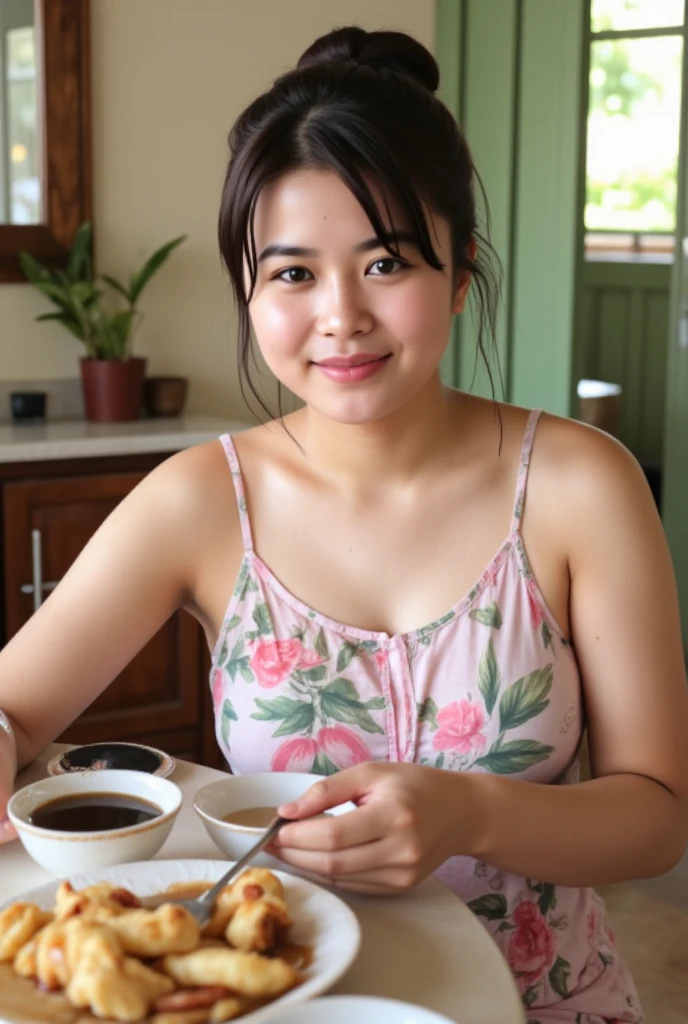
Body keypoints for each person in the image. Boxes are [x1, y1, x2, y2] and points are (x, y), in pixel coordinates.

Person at [0, 24, 686, 1023]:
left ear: (459, 272)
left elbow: (656, 817)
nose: (339, 317)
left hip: (541, 1001)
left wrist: (473, 810)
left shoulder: (583, 485)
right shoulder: (198, 499)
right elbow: (12, 708)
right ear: (248, 288)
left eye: (385, 262)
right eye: (291, 274)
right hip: (288, 1002)